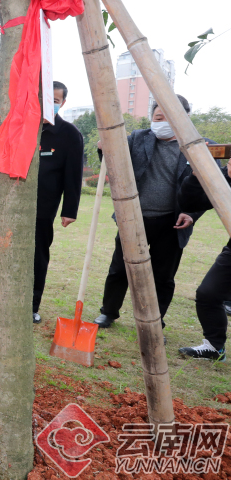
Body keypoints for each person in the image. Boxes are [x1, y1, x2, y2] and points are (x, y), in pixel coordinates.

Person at [94, 94, 214, 329]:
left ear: (184, 118)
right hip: (133, 218)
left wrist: (192, 214)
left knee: (163, 276)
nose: (163, 122)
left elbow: (209, 187)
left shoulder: (200, 146)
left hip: (172, 223)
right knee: (120, 268)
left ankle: (155, 321)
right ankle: (108, 312)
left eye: (170, 117)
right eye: (158, 117)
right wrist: (103, 148)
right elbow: (114, 163)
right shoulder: (138, 138)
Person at [31, 81, 84, 324]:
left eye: (54, 100)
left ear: (62, 103)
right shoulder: (24, 127)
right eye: (44, 98)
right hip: (14, 207)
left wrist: (69, 210)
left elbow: (73, 175)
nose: (48, 103)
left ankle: (31, 305)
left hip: (43, 207)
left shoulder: (69, 134)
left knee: (37, 257)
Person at [177, 164, 231, 360]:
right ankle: (215, 347)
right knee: (208, 293)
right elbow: (190, 203)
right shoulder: (226, 174)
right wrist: (197, 176)